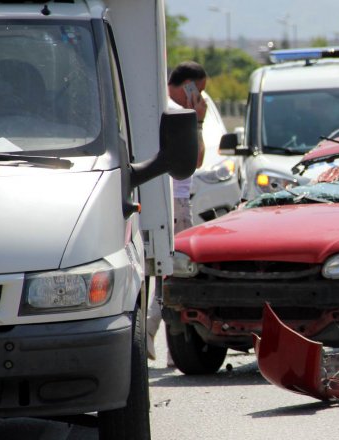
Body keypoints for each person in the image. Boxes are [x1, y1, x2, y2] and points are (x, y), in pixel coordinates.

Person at [147, 61, 208, 365]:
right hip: (176, 203)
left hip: (167, 200)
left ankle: (166, 345)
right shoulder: (177, 112)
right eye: (199, 91)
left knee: (165, 276)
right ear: (189, 86)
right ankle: (152, 332)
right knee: (175, 277)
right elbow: (196, 159)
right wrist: (198, 122)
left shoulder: (158, 104)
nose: (200, 97)